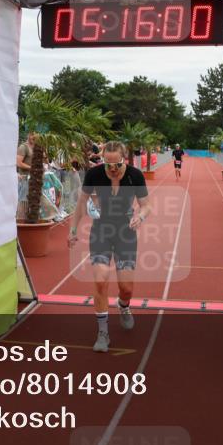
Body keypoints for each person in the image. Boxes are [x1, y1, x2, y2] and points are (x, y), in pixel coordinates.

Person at [68, 141, 150, 353]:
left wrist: (140, 216)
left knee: (127, 287)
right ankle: (102, 332)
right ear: (103, 159)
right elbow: (81, 202)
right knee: (101, 280)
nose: (112, 169)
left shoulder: (135, 175)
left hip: (126, 232)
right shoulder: (94, 175)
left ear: (124, 159)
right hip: (101, 231)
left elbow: (146, 205)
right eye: (108, 164)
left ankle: (123, 306)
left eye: (117, 164)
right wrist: (74, 230)